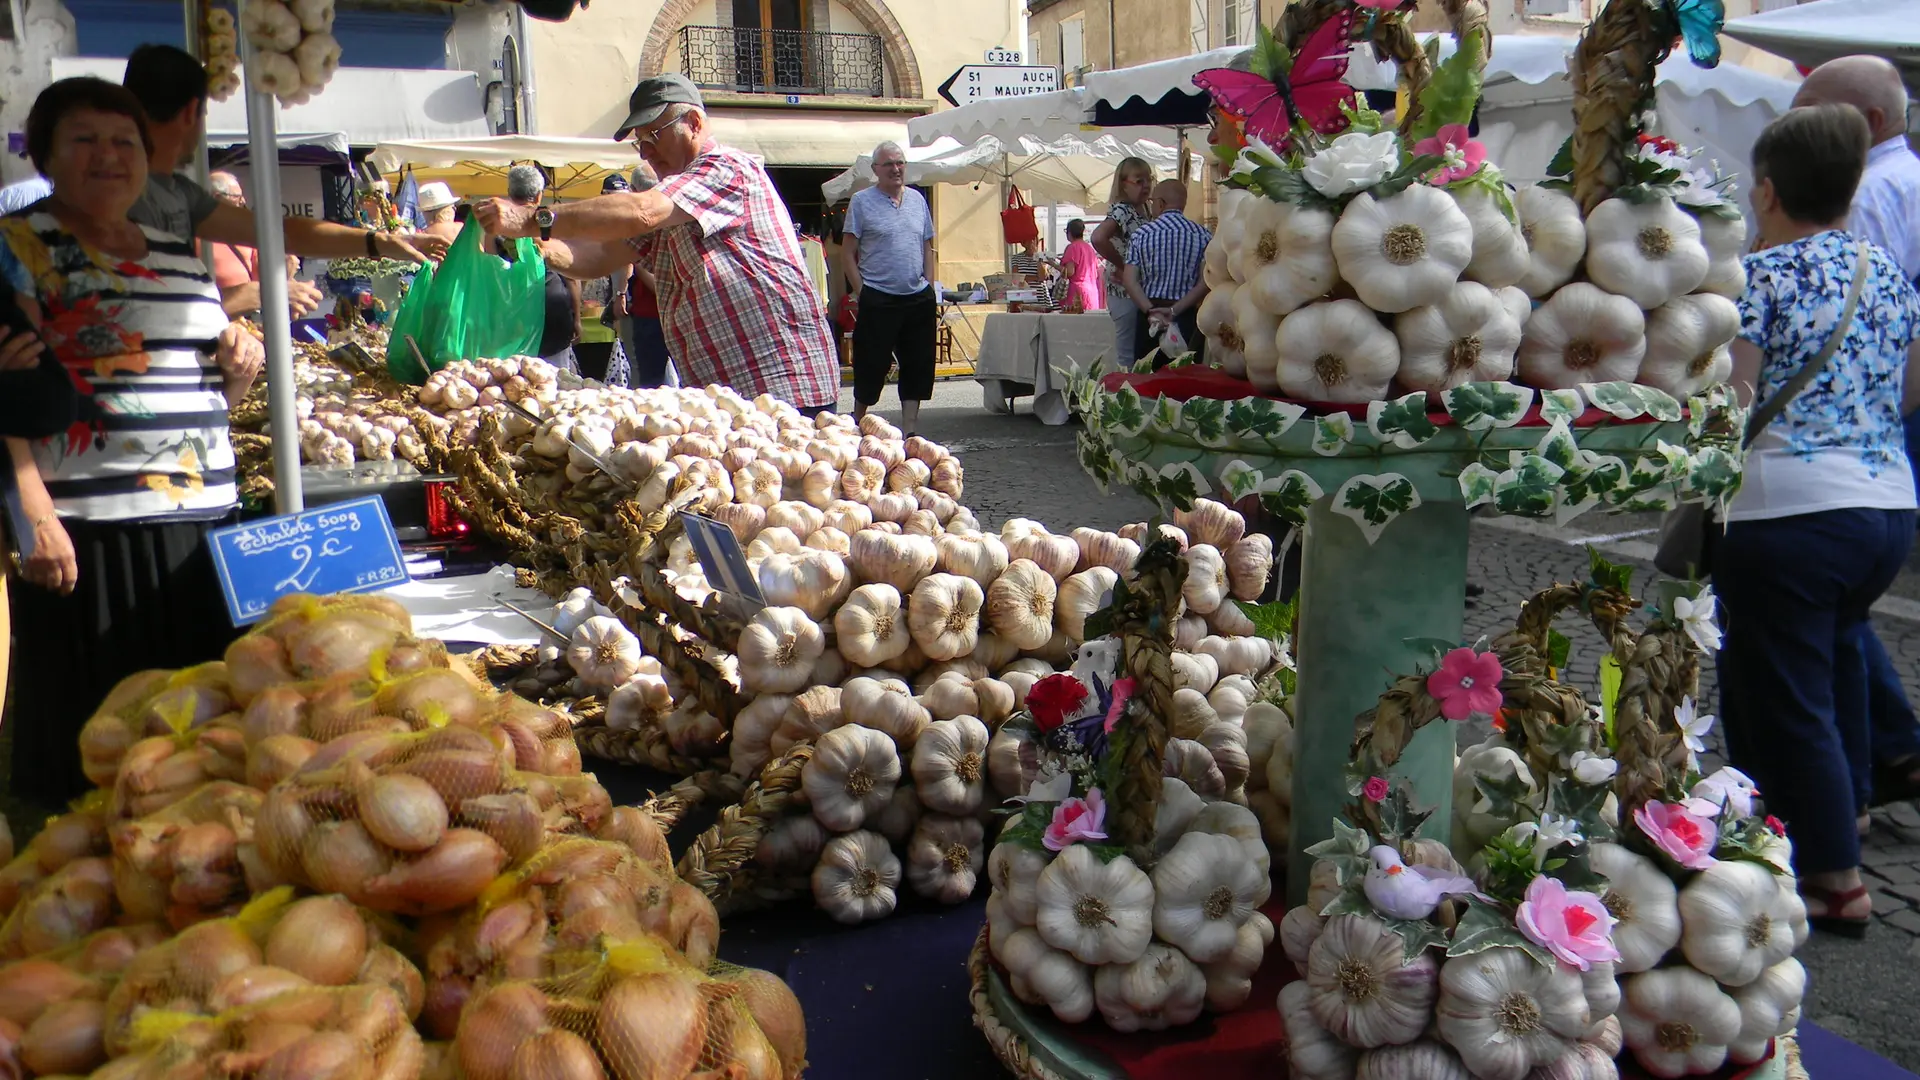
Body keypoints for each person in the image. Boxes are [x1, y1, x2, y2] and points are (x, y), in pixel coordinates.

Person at [0, 77, 264, 804]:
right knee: (99, 752)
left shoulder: (179, 251)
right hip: (88, 528)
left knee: (193, 747)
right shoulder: (18, 246)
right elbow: (5, 394)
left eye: (124, 142)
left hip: (201, 511)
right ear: (46, 154)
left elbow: (198, 382)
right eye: (83, 139)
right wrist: (33, 513)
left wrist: (239, 369)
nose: (107, 156)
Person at [1712, 104, 1920, 938]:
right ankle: (1854, 813)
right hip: (1886, 507)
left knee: (1785, 693)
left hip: (1788, 512)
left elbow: (1734, 398)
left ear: (1766, 189)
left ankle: (1833, 876)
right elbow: (1907, 392)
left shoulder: (1760, 279)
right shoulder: (1890, 275)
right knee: (1836, 662)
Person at [474, 74, 838, 414]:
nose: (646, 151)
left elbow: (642, 211)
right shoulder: (673, 199)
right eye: (640, 142)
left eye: (654, 135)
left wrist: (533, 219)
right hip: (728, 395)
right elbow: (598, 256)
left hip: (782, 384)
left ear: (694, 124)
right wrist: (536, 243)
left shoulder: (726, 168)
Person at [1791, 56, 1920, 813]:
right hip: (1886, 428)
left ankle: (1853, 789)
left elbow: (1842, 330)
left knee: (1818, 622)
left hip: (1840, 435)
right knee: (1844, 610)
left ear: (1866, 125)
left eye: (1813, 114)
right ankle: (1891, 751)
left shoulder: (1867, 195)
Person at [119, 45, 443, 266]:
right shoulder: (124, 191)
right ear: (192, 112)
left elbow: (283, 232)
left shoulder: (177, 194)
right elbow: (282, 233)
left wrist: (379, 243)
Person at [843, 140, 936, 433]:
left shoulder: (918, 200)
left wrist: (930, 287)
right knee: (870, 364)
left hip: (917, 297)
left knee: (918, 365)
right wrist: (862, 291)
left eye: (900, 163)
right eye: (889, 164)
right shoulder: (861, 201)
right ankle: (858, 422)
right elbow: (847, 252)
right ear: (875, 170)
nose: (896, 169)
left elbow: (928, 246)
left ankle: (910, 429)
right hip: (878, 296)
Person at [492, 165, 581, 374]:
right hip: (552, 313)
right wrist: (576, 318)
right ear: (539, 196)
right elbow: (571, 276)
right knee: (555, 384)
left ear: (510, 193)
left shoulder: (497, 227)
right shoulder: (552, 225)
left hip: (511, 318)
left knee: (516, 385)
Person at [1120, 180, 1210, 365]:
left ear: (1160, 203)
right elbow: (1205, 283)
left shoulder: (1141, 235)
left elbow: (1130, 280)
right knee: (1185, 381)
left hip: (1149, 317)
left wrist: (1151, 311)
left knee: (1147, 380)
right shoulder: (1204, 235)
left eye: (1152, 202)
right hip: (1185, 316)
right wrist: (1173, 310)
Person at [204, 171, 310, 319]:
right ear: (216, 198)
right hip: (214, 318)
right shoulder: (193, 236)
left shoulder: (246, 233)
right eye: (237, 197)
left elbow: (261, 279)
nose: (243, 201)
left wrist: (284, 272)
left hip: (249, 318)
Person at [607, 169, 678, 390]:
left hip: (652, 315)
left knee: (648, 380)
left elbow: (636, 263)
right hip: (673, 313)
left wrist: (620, 293)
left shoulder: (639, 222)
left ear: (636, 190)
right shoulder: (672, 214)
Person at [1092, 157, 1154, 362]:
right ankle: (1126, 390)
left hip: (1137, 289)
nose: (1146, 186)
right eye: (1139, 181)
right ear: (1123, 185)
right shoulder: (1123, 210)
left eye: (1149, 179)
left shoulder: (1144, 209)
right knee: (1128, 352)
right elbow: (1098, 238)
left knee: (1140, 350)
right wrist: (1123, 266)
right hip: (1123, 291)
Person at [1058, 218, 1105, 312]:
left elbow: (1070, 272)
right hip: (1092, 292)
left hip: (1077, 293)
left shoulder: (1072, 247)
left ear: (1069, 232)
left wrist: (1052, 263)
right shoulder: (1089, 248)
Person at [1008, 234, 1058, 310]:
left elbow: (1042, 277)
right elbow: (1017, 278)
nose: (1032, 242)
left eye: (1033, 240)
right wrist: (1035, 278)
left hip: (1040, 296)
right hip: (1024, 296)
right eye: (1029, 240)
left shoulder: (1043, 257)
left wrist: (1037, 257)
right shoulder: (1016, 258)